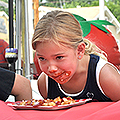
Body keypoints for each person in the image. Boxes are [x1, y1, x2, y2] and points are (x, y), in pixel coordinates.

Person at [32, 10, 120, 102]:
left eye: (59, 57)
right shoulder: (45, 83)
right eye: (42, 58)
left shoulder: (105, 76)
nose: (51, 69)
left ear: (80, 50)